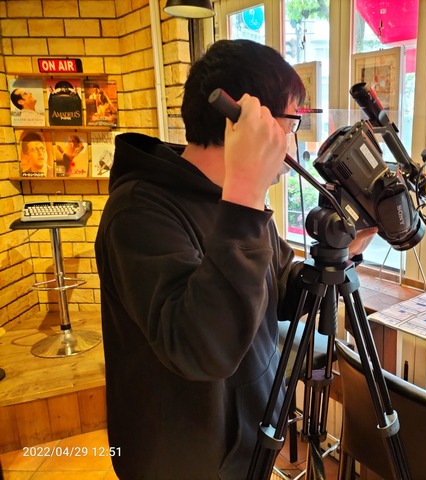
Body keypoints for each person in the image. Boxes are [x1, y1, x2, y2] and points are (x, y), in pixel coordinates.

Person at [95, 39, 375, 480]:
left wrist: (342, 253)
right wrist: (245, 194)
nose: (290, 139)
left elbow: (282, 291)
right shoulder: (138, 211)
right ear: (248, 121)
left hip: (249, 438)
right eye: (290, 121)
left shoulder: (237, 202)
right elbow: (201, 349)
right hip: (184, 458)